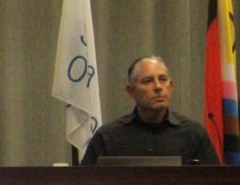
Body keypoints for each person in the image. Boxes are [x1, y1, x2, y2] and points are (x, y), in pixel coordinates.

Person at [80, 56, 220, 165]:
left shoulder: (194, 134)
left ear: (171, 86)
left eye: (163, 79)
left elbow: (215, 184)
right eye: (148, 81)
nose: (158, 87)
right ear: (131, 90)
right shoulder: (107, 137)